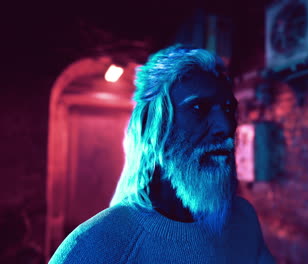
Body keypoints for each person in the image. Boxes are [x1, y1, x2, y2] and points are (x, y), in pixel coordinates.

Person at [49, 45, 275, 263]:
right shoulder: (95, 247)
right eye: (199, 108)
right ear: (154, 128)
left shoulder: (244, 221)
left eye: (228, 108)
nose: (225, 126)